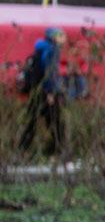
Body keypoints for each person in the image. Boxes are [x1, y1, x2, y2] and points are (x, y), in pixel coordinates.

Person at [15, 27, 65, 155]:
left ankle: (21, 151)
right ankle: (59, 151)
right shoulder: (50, 51)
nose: (62, 39)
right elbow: (49, 75)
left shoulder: (41, 49)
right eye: (59, 35)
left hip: (37, 93)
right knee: (54, 122)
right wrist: (50, 93)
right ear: (52, 37)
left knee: (33, 123)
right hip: (45, 94)